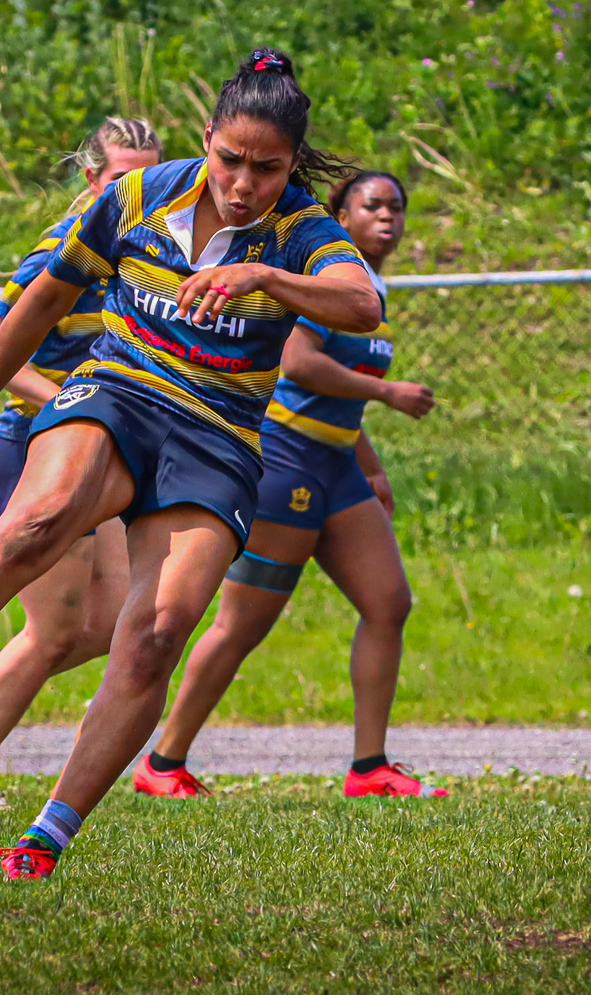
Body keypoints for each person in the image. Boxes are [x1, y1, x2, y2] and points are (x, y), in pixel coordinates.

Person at [0, 47, 379, 881]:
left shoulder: (302, 231)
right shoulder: (137, 195)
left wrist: (262, 273)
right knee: (39, 521)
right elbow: (40, 299)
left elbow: (362, 301)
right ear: (207, 139)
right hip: (118, 391)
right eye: (230, 158)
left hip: (219, 439)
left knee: (153, 635)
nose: (242, 183)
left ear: (291, 165)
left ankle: (47, 834)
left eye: (266, 168)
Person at [131, 169, 445, 800]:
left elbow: (334, 399)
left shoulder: (370, 289)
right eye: (372, 206)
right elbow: (299, 364)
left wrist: (372, 466)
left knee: (389, 604)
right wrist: (387, 392)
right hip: (287, 463)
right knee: (242, 624)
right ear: (341, 215)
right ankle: (162, 763)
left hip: (336, 469)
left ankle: (369, 768)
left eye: (397, 208)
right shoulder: (323, 279)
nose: (388, 217)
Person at [0, 120, 164, 809]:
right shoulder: (71, 235)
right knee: (54, 633)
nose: (134, 190)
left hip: (93, 450)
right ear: (92, 180)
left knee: (106, 626)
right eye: (119, 178)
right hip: (37, 445)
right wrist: (71, 406)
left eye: (147, 176)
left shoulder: (151, 243)